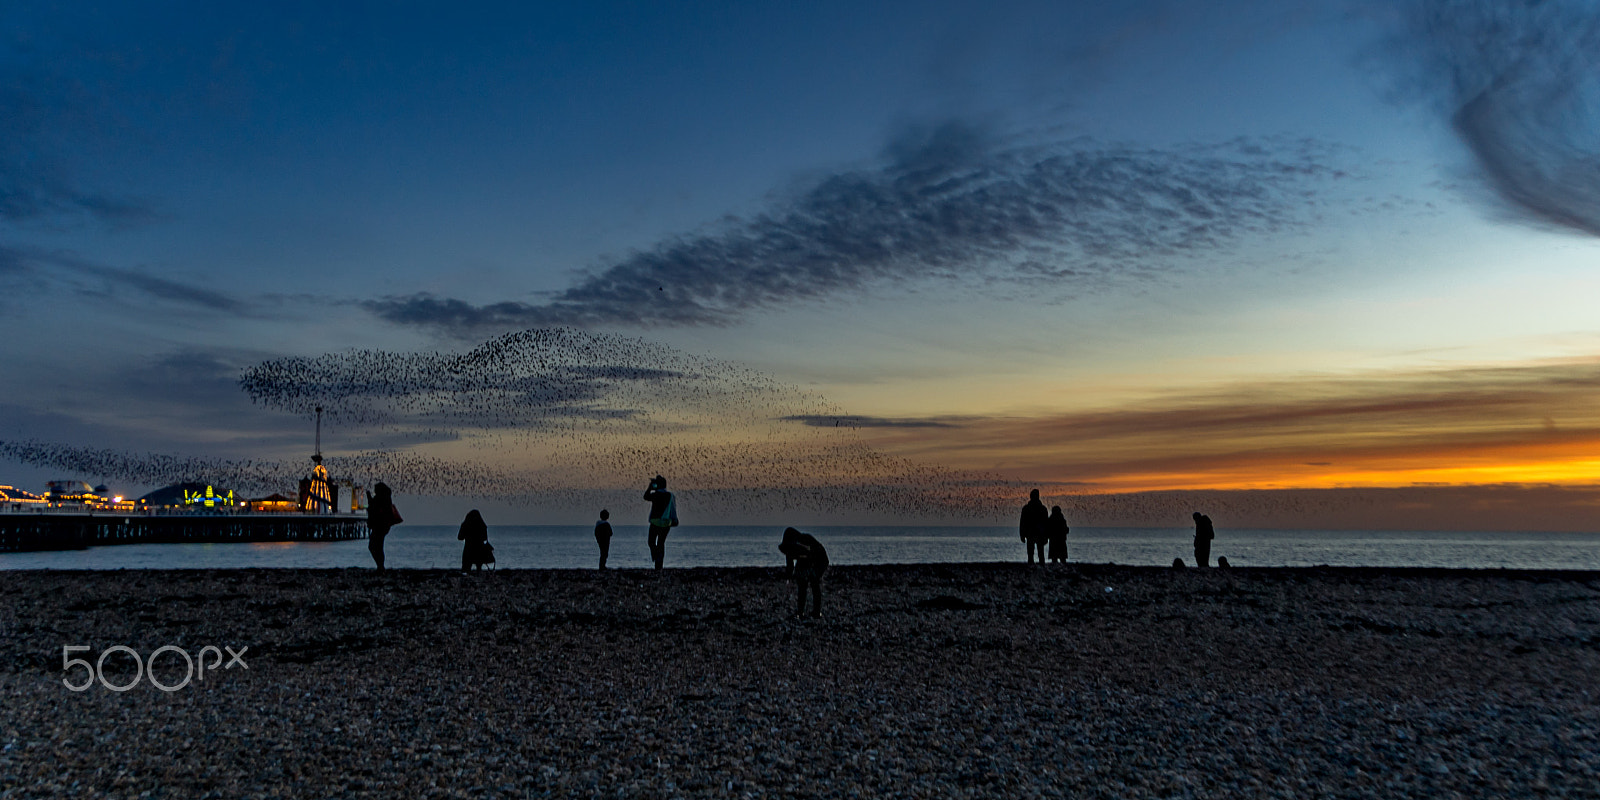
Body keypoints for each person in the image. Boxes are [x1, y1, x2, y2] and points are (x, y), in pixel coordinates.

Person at [779, 527, 828, 619]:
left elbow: (816, 555)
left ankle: (816, 612)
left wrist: (811, 571)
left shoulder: (806, 539)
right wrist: (789, 576)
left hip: (819, 560)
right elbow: (790, 563)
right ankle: (800, 613)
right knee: (802, 587)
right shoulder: (790, 546)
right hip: (805, 561)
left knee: (814, 584)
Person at [643, 475, 676, 570]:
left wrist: (650, 488)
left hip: (655, 522)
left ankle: (656, 556)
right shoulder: (669, 495)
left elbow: (645, 496)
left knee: (651, 542)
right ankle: (659, 564)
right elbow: (673, 508)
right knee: (661, 543)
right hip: (666, 523)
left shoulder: (656, 495)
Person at [366, 482, 401, 571]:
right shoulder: (386, 499)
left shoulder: (381, 499)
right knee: (378, 546)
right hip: (383, 526)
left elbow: (374, 508)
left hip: (379, 526)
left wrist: (369, 498)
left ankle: (380, 566)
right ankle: (380, 566)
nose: (374, 491)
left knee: (374, 546)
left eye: (375, 489)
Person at [1019, 489, 1049, 564]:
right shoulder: (1042, 509)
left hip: (1034, 532)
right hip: (1035, 533)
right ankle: (1039, 564)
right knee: (1036, 552)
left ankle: (1034, 564)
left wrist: (1022, 534)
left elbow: (1022, 522)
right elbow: (1023, 522)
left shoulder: (1027, 508)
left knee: (1035, 552)